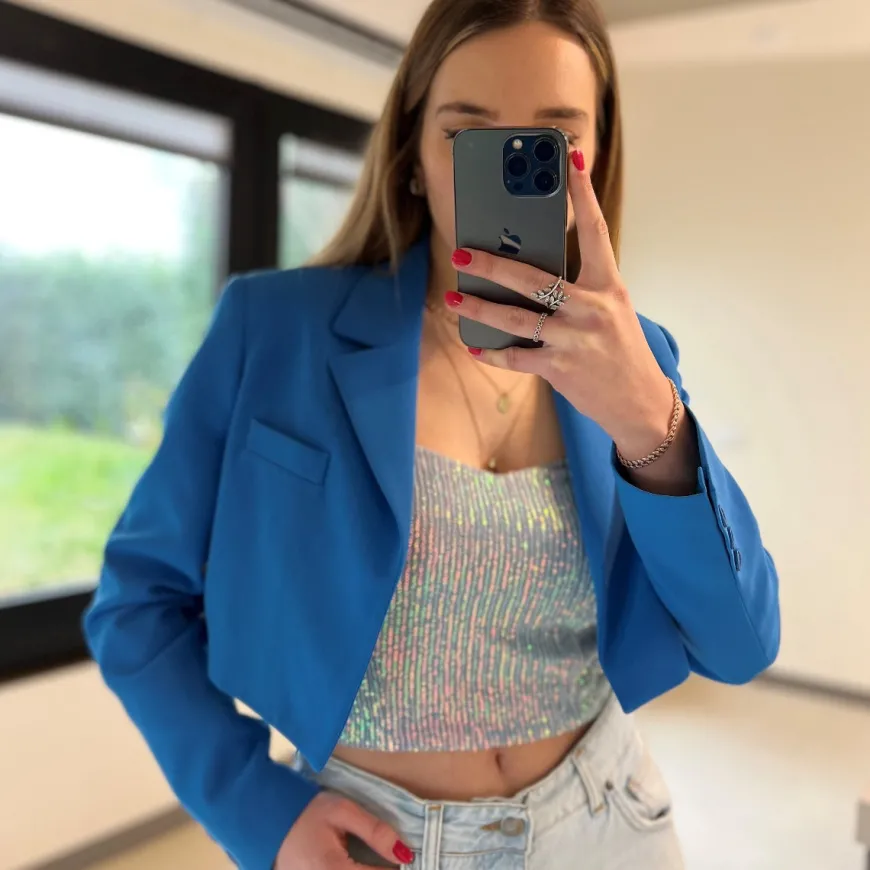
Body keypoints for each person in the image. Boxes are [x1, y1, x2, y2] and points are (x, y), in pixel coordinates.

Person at [84, 0, 781, 868]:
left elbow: (740, 645)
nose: (512, 167)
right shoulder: (274, 330)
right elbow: (137, 604)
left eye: (555, 137)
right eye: (467, 132)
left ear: (597, 155)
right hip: (373, 839)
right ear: (413, 152)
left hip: (608, 823)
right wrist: (257, 808)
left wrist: (648, 418)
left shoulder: (640, 364)